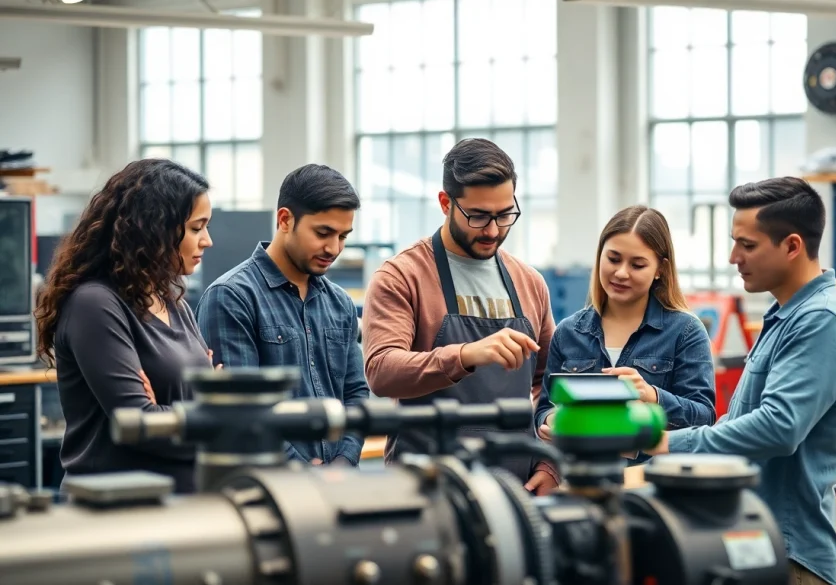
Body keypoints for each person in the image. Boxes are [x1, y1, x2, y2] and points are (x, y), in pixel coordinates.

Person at [644, 177, 836, 585]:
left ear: (792, 246)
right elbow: (739, 423)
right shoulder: (786, 314)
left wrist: (666, 443)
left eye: (747, 245)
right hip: (757, 540)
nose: (734, 257)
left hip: (789, 554)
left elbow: (778, 427)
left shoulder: (821, 320)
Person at [360, 138, 559, 494]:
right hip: (428, 489)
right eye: (478, 216)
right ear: (445, 203)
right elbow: (382, 371)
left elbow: (552, 385)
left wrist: (550, 462)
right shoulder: (402, 277)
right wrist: (465, 355)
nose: (493, 230)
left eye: (505, 215)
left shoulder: (529, 282)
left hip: (517, 490)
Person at [34, 158, 216, 494]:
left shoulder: (174, 303)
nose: (207, 241)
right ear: (154, 228)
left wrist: (172, 412)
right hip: (116, 505)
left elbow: (201, 409)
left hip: (183, 502)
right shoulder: (95, 304)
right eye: (196, 228)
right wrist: (212, 417)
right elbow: (140, 426)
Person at [195, 164, 369, 467]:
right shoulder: (232, 297)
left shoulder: (339, 302)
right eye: (323, 233)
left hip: (336, 481)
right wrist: (301, 472)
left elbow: (355, 393)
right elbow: (243, 409)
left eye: (343, 236)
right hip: (265, 482)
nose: (334, 248)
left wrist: (343, 463)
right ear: (285, 219)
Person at [533, 205, 716, 465]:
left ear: (660, 269)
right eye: (613, 259)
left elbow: (704, 417)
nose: (621, 273)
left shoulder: (685, 331)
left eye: (637, 265)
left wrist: (652, 395)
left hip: (651, 480)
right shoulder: (569, 332)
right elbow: (544, 408)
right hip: (582, 477)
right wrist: (553, 422)